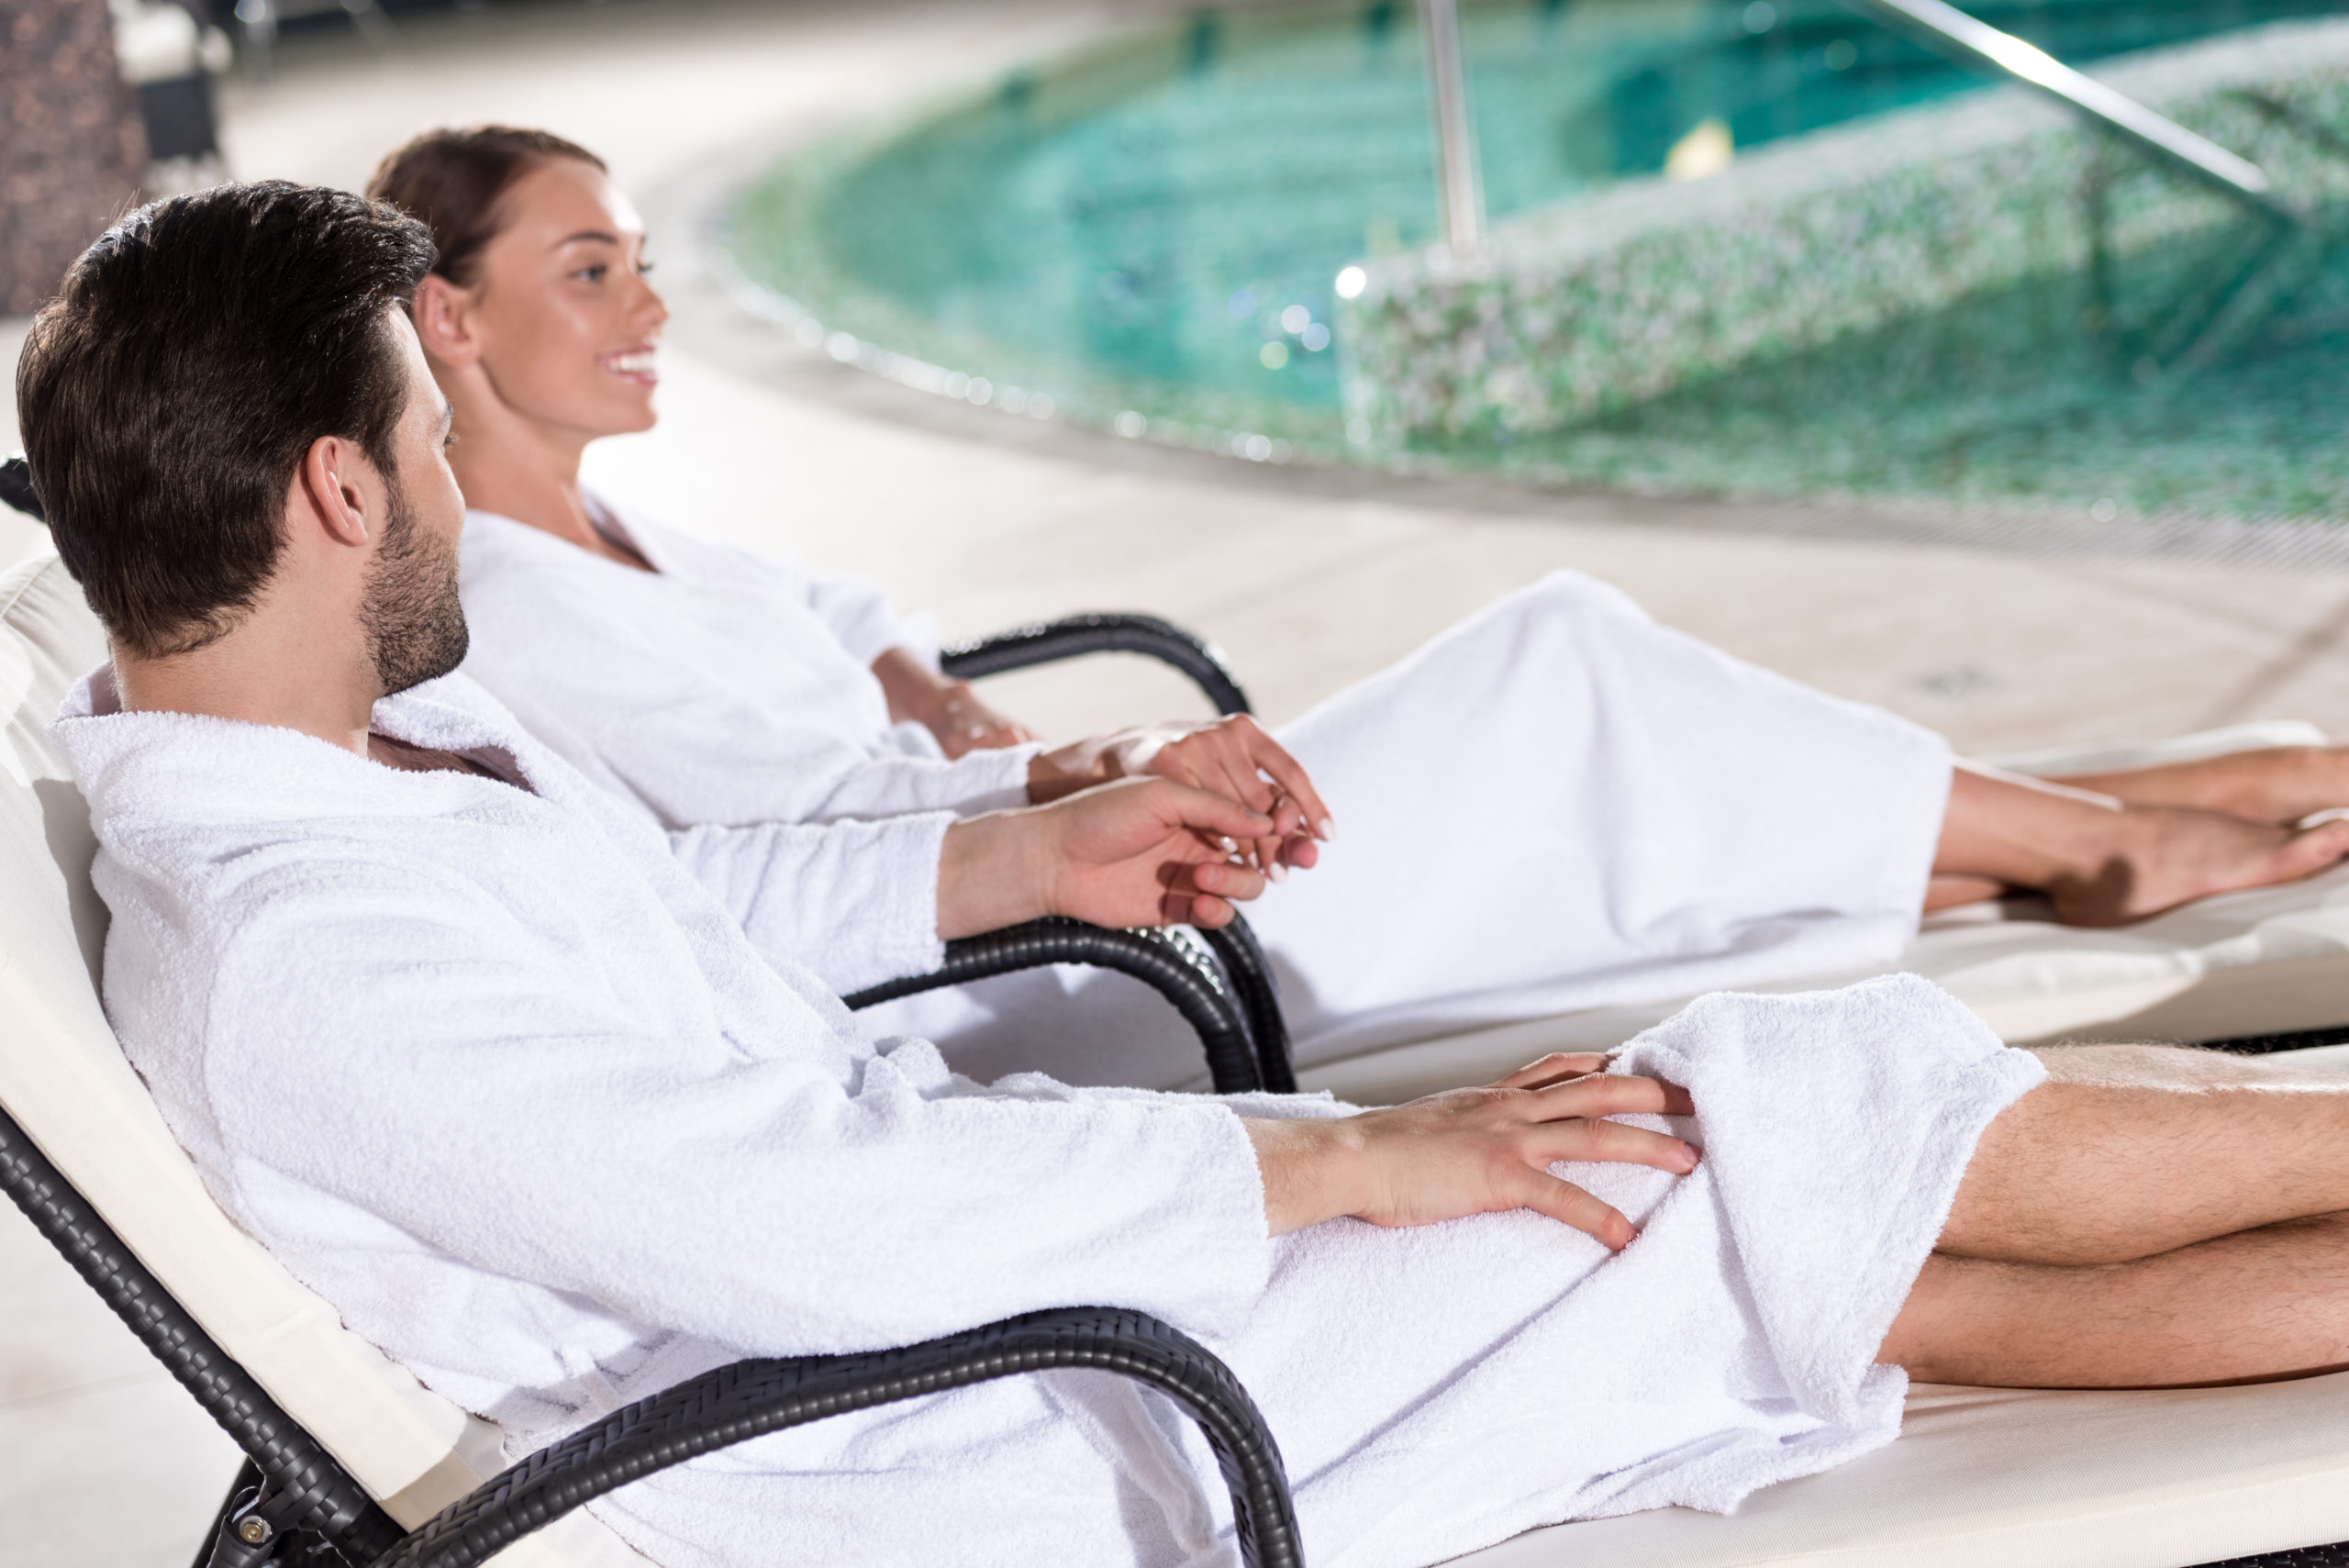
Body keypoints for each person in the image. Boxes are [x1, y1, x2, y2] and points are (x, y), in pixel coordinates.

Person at [26, 180, 2349, 1568]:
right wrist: (1344, 1163)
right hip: (914, 1432)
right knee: (1705, 1117)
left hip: (957, 1297)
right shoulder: (303, 962)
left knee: (1801, 1231)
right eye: (428, 445)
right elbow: (793, 1224)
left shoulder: (355, 763)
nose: (459, 490)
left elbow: (677, 932)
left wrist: (1018, 848)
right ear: (339, 492)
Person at [371, 126, 2349, 1087]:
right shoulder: (511, 616)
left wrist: (959, 721)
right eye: (590, 272)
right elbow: (787, 850)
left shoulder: (637, 543)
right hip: (1045, 982)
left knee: (1610, 768)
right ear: (445, 314)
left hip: (1056, 855)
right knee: (1556, 671)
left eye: (641, 261)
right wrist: (1075, 762)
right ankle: (2107, 837)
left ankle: (2124, 825)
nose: (649, 309)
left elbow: (848, 618)